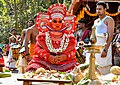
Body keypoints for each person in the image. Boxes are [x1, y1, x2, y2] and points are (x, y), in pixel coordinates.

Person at [26, 4, 77, 72]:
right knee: (33, 69)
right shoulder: (43, 36)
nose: (57, 23)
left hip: (65, 63)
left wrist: (65, 57)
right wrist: (48, 56)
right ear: (50, 21)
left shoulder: (69, 37)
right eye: (55, 21)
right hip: (44, 63)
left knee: (76, 71)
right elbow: (37, 49)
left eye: (60, 21)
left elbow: (73, 51)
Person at [87, 1, 115, 75]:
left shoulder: (109, 19)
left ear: (105, 9)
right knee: (93, 66)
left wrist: (105, 49)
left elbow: (110, 35)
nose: (98, 11)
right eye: (97, 9)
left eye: (100, 9)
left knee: (103, 68)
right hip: (95, 46)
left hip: (103, 46)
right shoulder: (96, 21)